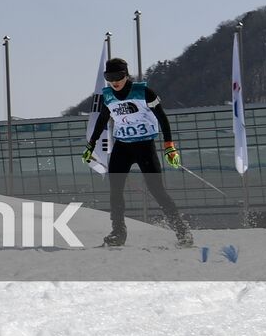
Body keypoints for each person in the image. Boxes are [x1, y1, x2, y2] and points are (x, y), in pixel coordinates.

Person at [82, 57, 194, 248]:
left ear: (126, 75)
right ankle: (118, 232)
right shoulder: (108, 95)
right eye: (110, 77)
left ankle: (182, 232)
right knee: (115, 191)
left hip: (144, 146)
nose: (114, 81)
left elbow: (162, 118)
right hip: (122, 147)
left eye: (118, 76)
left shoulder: (143, 92)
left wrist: (169, 146)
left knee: (157, 190)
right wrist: (90, 145)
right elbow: (102, 120)